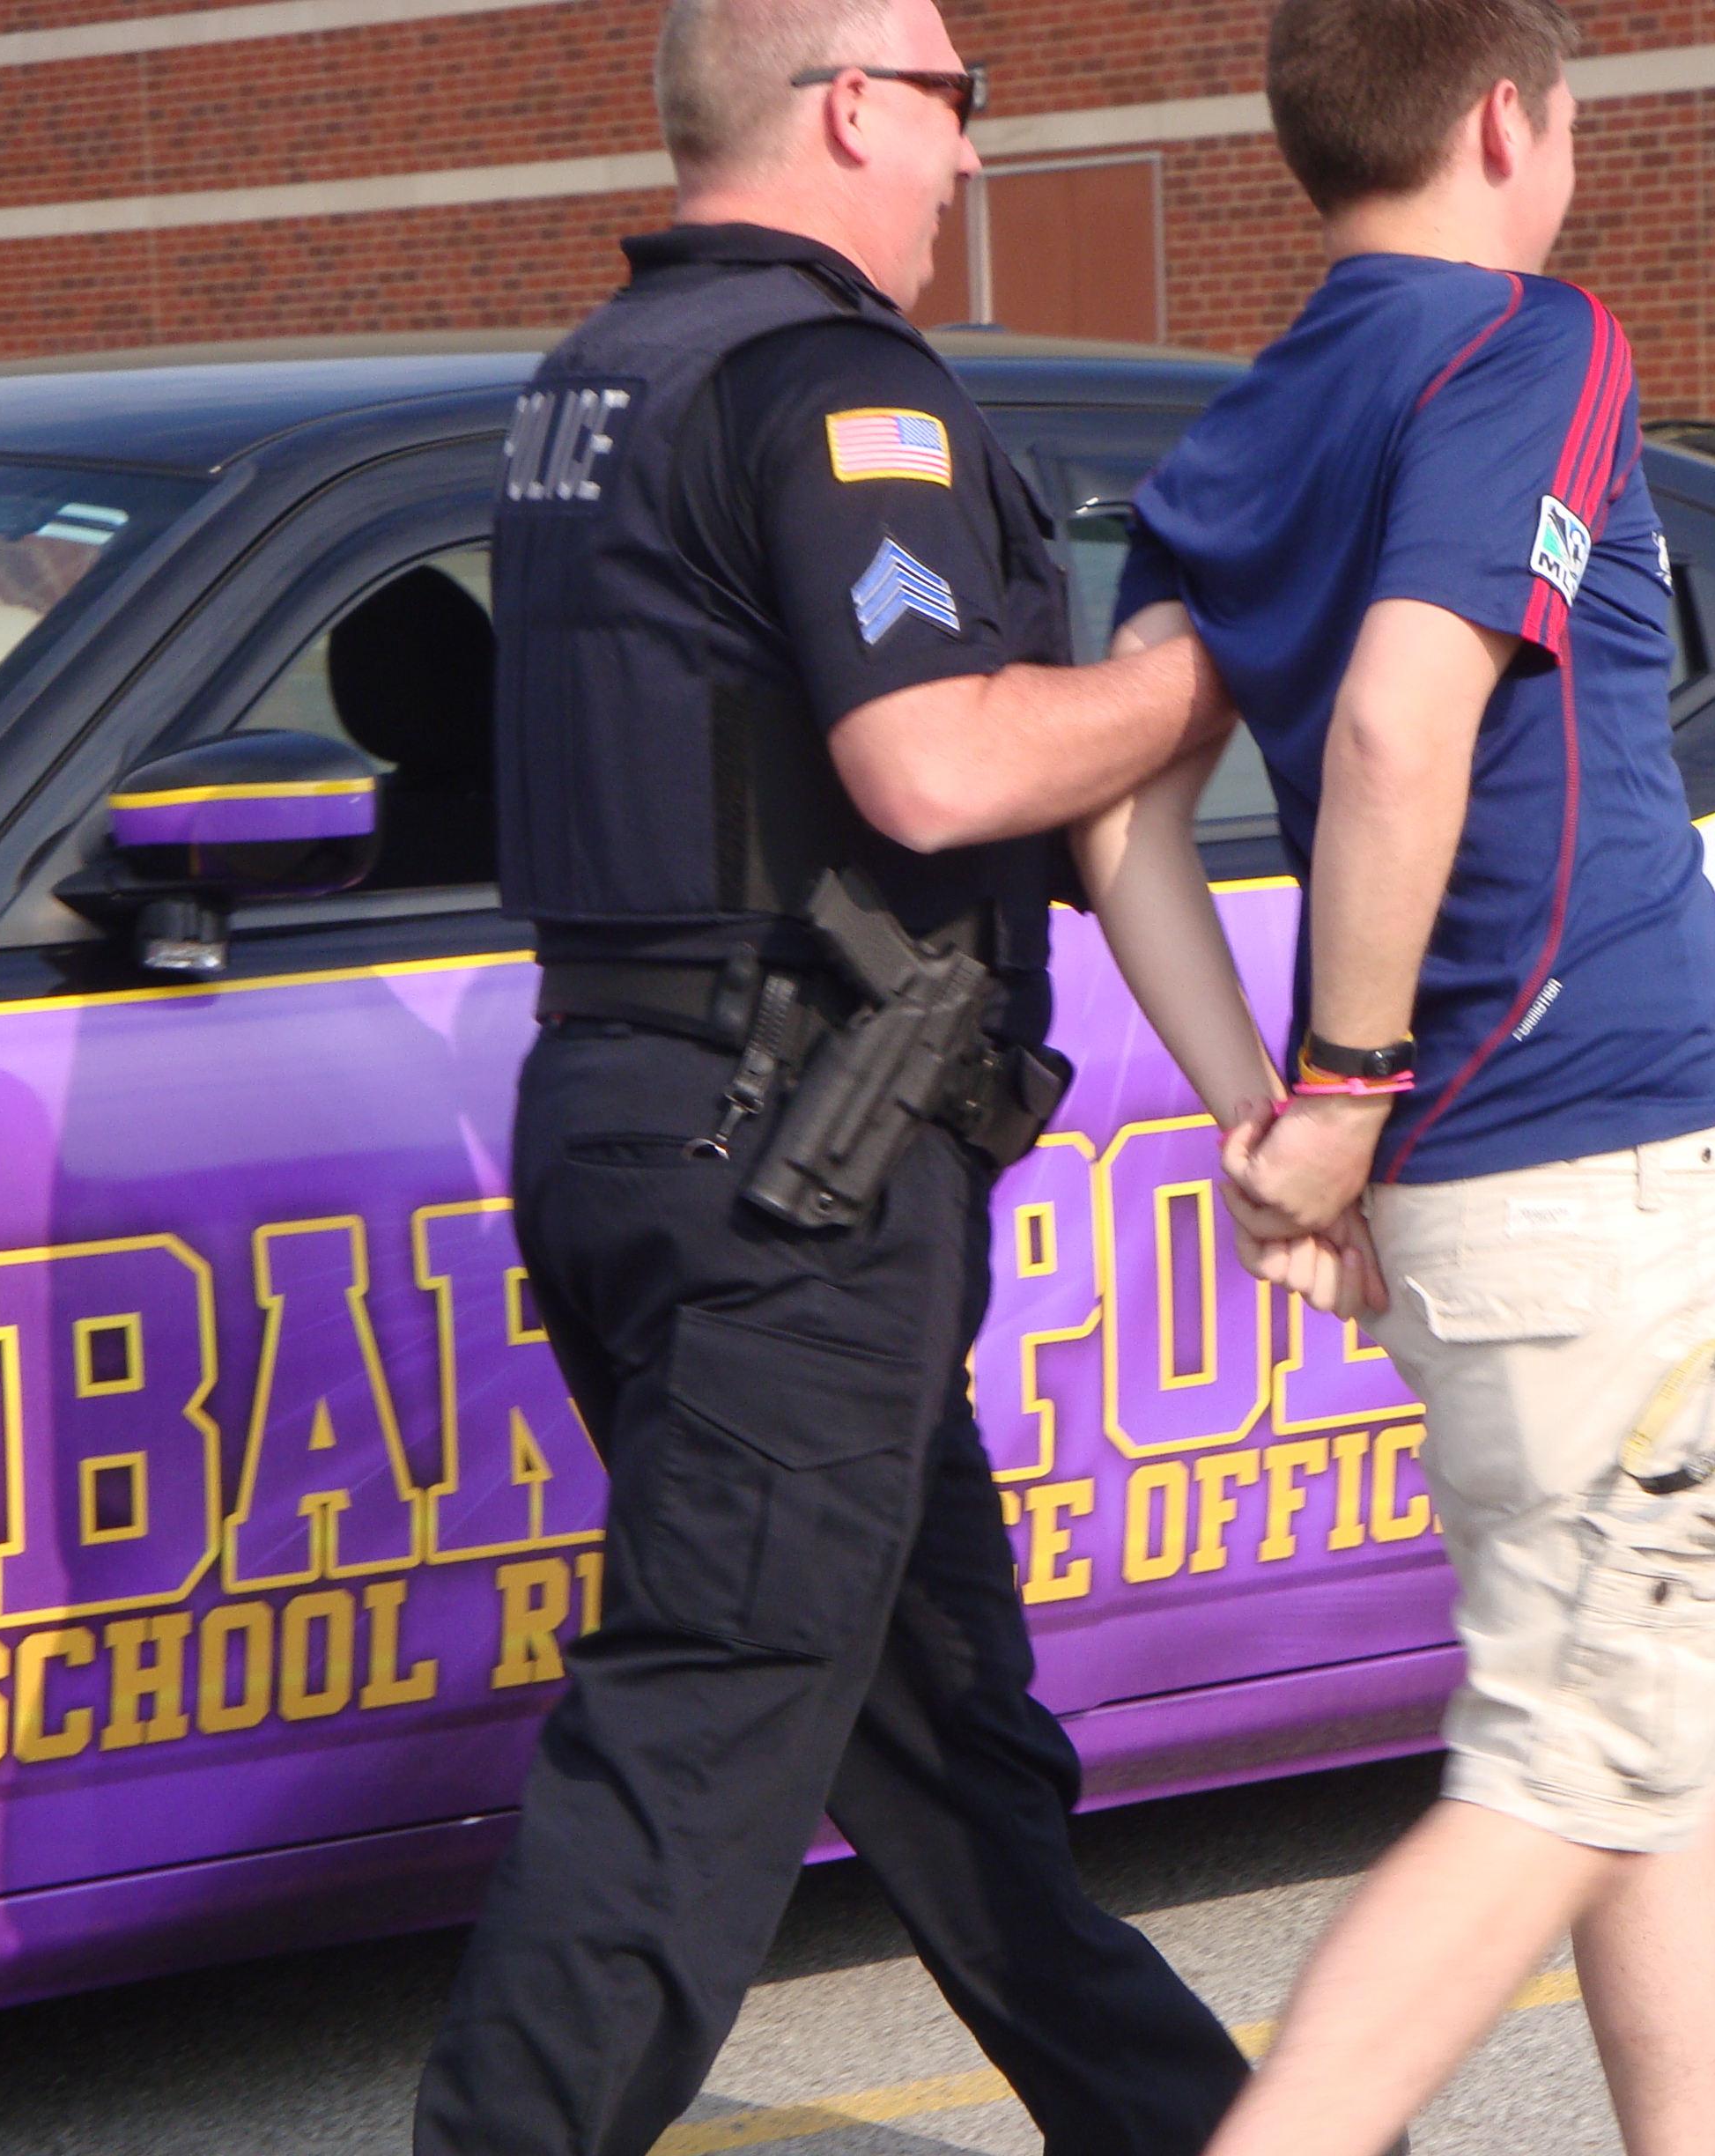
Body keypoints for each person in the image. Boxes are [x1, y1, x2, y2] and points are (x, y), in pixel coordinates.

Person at [410, 1, 1334, 2150]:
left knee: (942, 1747)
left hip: (659, 1120)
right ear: (849, 104)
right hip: (793, 1180)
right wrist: (1198, 663)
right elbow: (936, 766)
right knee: (701, 1746)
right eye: (955, 104)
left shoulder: (595, 381)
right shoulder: (831, 389)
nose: (973, 159)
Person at [1069, 3, 1715, 2152]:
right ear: (1510, 117)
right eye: (1569, 118)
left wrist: (1280, 1133)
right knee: (1569, 1748)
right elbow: (1408, 720)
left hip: (1484, 1191)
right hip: (1583, 1151)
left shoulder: (1251, 422)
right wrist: (1338, 1084)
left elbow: (1121, 808)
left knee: (1650, 1704)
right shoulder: (1533, 343)